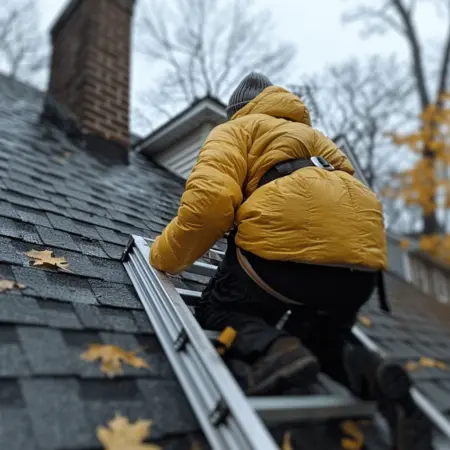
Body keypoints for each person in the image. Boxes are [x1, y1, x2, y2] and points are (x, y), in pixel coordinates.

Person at [150, 73, 432, 448]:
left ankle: (273, 350)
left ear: (237, 111)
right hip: (360, 272)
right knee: (321, 342)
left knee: (219, 311)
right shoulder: (321, 143)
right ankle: (375, 375)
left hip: (285, 265)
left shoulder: (236, 131)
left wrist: (164, 257)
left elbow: (210, 206)